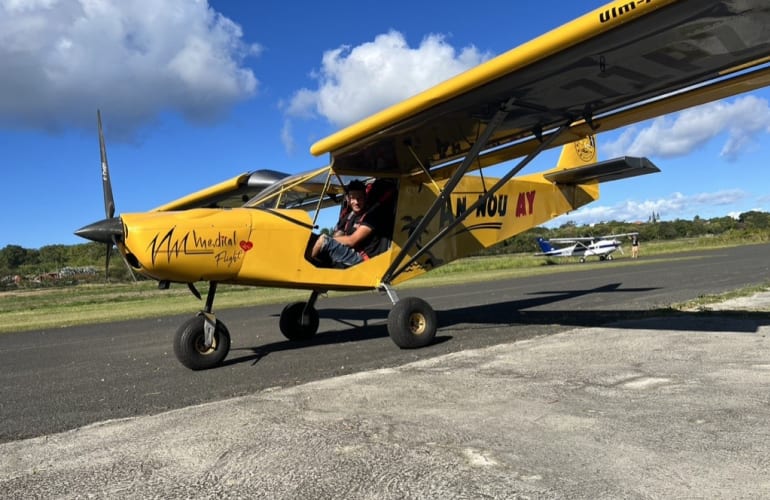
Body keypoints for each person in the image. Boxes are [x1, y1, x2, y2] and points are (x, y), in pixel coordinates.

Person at [311, 179, 384, 268]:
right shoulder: (348, 217)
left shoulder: (371, 216)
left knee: (324, 240)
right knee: (313, 239)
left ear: (365, 198)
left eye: (359, 198)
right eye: (353, 198)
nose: (356, 202)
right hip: (350, 255)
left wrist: (324, 240)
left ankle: (304, 269)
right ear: (348, 199)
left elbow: (352, 240)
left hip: (365, 262)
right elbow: (337, 236)